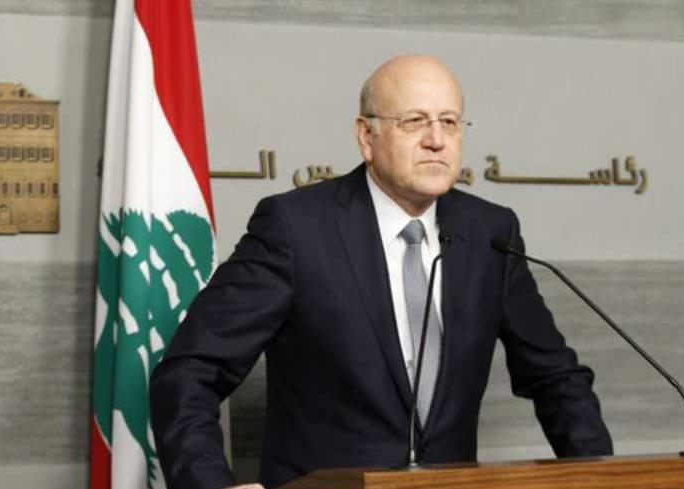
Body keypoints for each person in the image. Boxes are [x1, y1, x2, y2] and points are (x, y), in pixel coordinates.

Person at [150, 55, 613, 489]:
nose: (436, 139)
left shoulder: (490, 231)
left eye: (449, 122)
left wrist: (603, 477)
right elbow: (191, 372)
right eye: (414, 121)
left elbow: (557, 378)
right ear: (366, 136)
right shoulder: (296, 228)